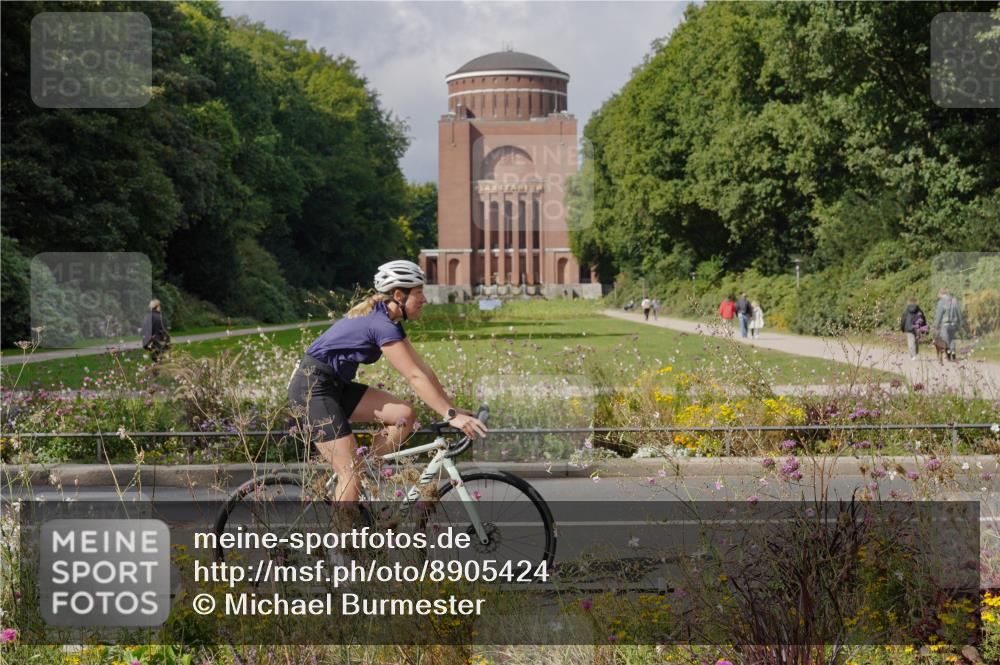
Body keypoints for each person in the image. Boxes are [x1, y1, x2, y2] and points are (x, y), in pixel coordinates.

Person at [287, 260, 488, 503]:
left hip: (335, 386)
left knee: (404, 415)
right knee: (350, 474)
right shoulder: (380, 324)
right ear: (399, 295)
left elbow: (423, 370)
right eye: (418, 293)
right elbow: (413, 377)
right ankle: (343, 538)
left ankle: (362, 468)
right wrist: (452, 416)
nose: (424, 299)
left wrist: (450, 409)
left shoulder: (388, 321)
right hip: (312, 388)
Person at [933, 288, 963, 361]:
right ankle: (953, 354)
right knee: (952, 339)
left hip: (945, 324)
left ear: (941, 294)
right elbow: (959, 312)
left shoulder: (941, 302)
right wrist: (961, 323)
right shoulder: (954, 301)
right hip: (954, 324)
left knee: (946, 340)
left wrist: (936, 325)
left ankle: (949, 355)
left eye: (938, 294)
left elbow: (939, 315)